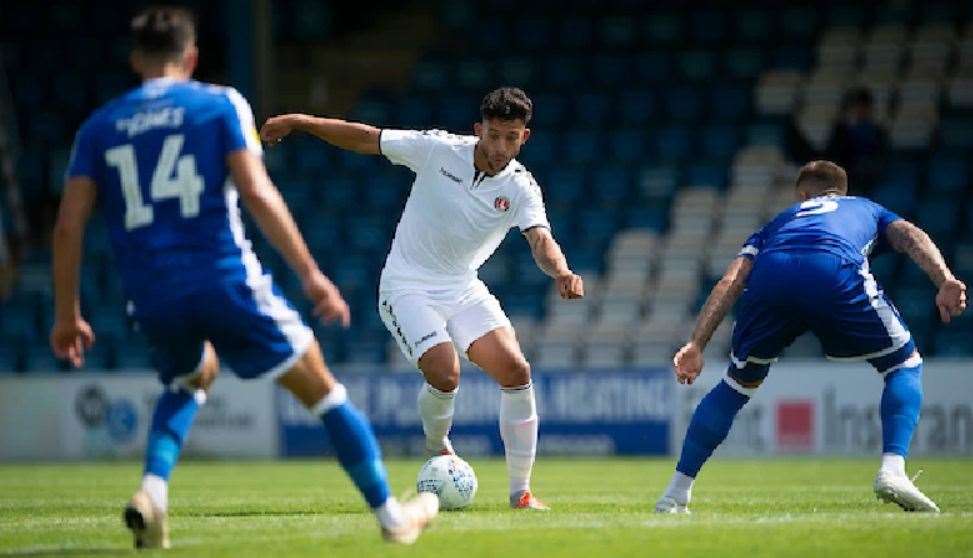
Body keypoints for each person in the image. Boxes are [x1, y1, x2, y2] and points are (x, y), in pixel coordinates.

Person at [50, 6, 436, 549]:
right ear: (191, 56)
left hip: (150, 293)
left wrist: (67, 314)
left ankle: (153, 492)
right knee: (323, 392)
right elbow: (256, 192)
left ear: (136, 59)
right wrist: (310, 274)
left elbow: (68, 226)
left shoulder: (99, 128)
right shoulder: (219, 104)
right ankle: (393, 518)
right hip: (222, 277)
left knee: (191, 376)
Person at [260, 87, 585, 510]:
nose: (500, 145)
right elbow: (366, 137)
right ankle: (437, 446)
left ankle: (520, 493)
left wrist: (560, 271)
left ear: (525, 137)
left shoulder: (522, 188)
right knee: (446, 373)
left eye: (511, 136)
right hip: (406, 285)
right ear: (478, 130)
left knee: (516, 369)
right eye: (493, 134)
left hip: (461, 285)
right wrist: (302, 122)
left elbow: (541, 240)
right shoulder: (438, 150)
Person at [656, 161, 966, 514]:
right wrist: (944, 279)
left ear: (803, 195)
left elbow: (731, 280)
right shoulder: (866, 208)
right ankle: (893, 470)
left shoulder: (779, 222)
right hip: (832, 270)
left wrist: (697, 344)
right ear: (841, 191)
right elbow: (911, 236)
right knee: (903, 364)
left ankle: (676, 492)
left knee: (736, 386)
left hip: (772, 278)